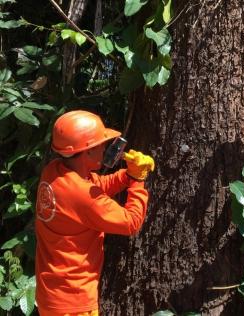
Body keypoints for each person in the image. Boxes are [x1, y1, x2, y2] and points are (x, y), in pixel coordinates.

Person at [34, 110, 154, 316]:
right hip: (74, 301)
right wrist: (138, 180)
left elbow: (96, 186)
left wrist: (127, 175)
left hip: (51, 295)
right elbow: (131, 222)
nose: (105, 148)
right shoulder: (83, 196)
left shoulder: (53, 171)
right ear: (88, 151)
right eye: (101, 144)